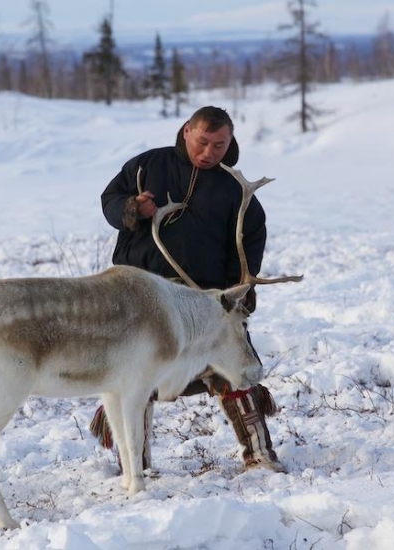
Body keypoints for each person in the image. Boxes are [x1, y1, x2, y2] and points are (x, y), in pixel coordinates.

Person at [91, 105, 285, 473]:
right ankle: (137, 466)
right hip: (143, 295)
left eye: (219, 144)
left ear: (230, 142)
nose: (210, 152)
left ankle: (259, 455)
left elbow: (250, 237)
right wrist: (132, 208)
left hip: (204, 297)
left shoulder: (233, 186)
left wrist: (240, 287)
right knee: (135, 375)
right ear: (185, 132)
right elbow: (109, 202)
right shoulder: (149, 165)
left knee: (233, 368)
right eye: (203, 142)